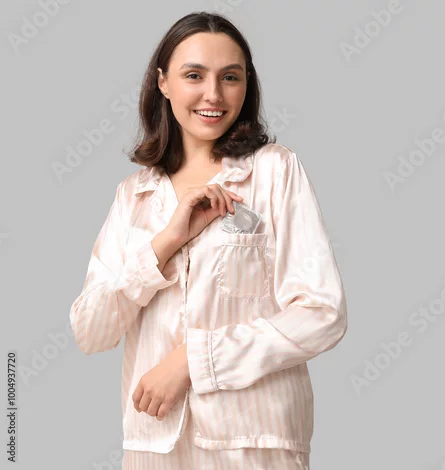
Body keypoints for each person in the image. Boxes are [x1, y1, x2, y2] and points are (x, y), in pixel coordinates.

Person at [68, 11, 347, 469]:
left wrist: (192, 361)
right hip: (154, 446)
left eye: (230, 77)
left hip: (255, 443)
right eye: (194, 75)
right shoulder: (133, 196)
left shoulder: (274, 172)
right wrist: (165, 244)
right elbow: (90, 331)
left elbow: (322, 313)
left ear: (247, 85)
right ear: (163, 82)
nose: (213, 94)